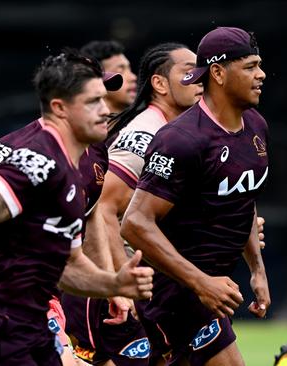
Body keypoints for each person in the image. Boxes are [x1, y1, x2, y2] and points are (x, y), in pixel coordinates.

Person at [0, 51, 153, 366]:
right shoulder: (36, 159)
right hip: (0, 326)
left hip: (32, 324)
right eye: (93, 101)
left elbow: (69, 264)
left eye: (103, 97)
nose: (105, 110)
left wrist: (112, 285)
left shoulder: (83, 158)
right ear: (59, 107)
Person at [121, 26, 270, 365]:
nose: (260, 74)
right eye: (249, 66)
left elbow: (242, 197)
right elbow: (134, 223)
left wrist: (257, 270)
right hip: (173, 295)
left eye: (259, 65)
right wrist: (200, 282)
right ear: (217, 72)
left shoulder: (256, 125)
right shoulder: (181, 139)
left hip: (212, 291)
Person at [62, 42, 203, 366]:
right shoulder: (143, 135)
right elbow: (103, 209)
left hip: (149, 285)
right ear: (159, 83)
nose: (199, 79)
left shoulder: (176, 133)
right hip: (114, 286)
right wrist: (118, 285)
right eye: (188, 72)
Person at [80, 40, 137, 114]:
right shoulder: (77, 125)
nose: (133, 77)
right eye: (120, 70)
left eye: (129, 69)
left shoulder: (142, 124)